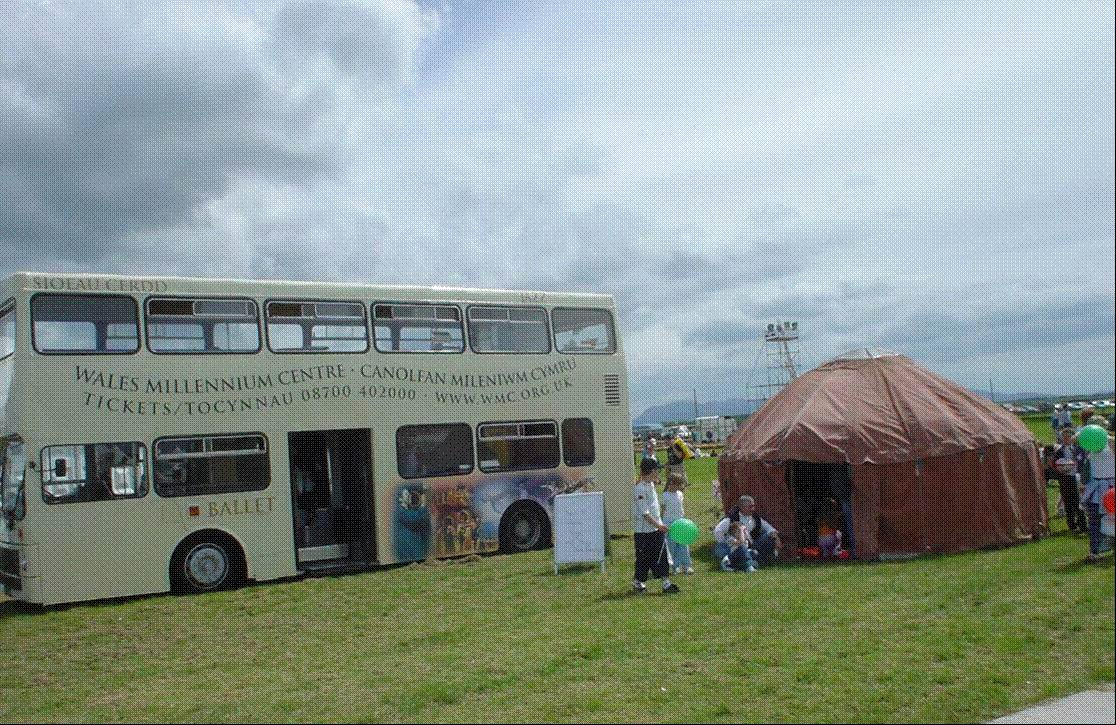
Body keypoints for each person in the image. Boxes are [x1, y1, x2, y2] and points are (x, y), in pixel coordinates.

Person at [630, 457, 680, 593]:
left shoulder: (650, 484)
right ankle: (638, 582)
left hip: (656, 528)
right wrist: (659, 525)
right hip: (644, 531)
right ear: (652, 471)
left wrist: (658, 526)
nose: (659, 473)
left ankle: (666, 583)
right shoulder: (639, 489)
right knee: (643, 559)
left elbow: (656, 482)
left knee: (661, 555)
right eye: (657, 470)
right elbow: (645, 513)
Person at [1080, 421, 1115, 562]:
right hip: (1095, 489)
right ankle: (1094, 551)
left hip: (1112, 489)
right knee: (1094, 521)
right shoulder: (1090, 446)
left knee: (1112, 519)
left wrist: (1108, 438)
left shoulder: (1111, 445)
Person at [722, 494, 782, 566]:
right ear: (742, 507)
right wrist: (727, 542)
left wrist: (776, 538)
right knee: (721, 550)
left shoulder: (755, 517)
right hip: (738, 546)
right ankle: (747, 561)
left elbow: (769, 528)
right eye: (750, 507)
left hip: (753, 545)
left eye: (753, 506)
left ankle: (763, 560)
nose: (753, 509)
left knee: (769, 537)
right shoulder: (731, 517)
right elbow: (717, 531)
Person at [1048, 427, 1088, 534]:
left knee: (1078, 502)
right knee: (1068, 502)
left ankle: (1083, 525)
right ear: (1061, 439)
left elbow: (1083, 462)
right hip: (1065, 479)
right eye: (1064, 437)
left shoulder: (1078, 449)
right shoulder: (1059, 451)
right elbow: (1054, 464)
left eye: (1068, 437)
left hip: (1077, 478)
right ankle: (1072, 525)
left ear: (1072, 438)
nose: (1066, 439)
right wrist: (1061, 468)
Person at [660, 473, 694, 575]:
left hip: (680, 522)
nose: (681, 487)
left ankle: (686, 565)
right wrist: (662, 524)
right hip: (669, 523)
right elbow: (662, 511)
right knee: (671, 545)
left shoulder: (680, 494)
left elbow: (680, 508)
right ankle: (675, 566)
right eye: (679, 484)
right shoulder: (665, 496)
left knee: (683, 544)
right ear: (671, 484)